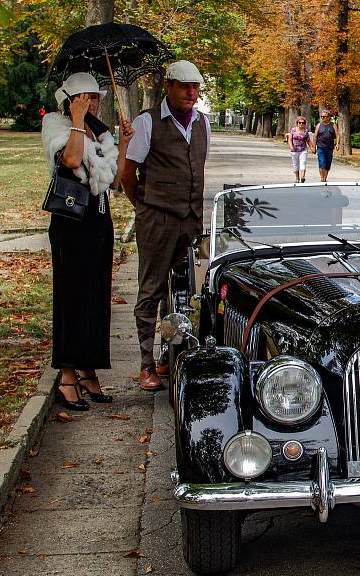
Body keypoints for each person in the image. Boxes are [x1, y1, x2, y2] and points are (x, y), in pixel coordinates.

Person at [41, 72, 134, 410]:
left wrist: (122, 145)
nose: (92, 103)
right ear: (70, 99)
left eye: (95, 97)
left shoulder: (101, 132)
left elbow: (112, 182)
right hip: (70, 220)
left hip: (98, 218)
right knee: (72, 296)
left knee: (96, 297)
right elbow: (71, 160)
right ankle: (67, 374)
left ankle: (88, 369)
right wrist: (77, 122)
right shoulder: (56, 125)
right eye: (85, 97)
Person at [122, 60, 211, 391]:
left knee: (184, 291)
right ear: (169, 86)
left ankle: (168, 354)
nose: (191, 92)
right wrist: (144, 207)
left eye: (196, 87)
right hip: (157, 218)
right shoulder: (148, 122)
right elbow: (127, 174)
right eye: (184, 86)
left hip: (191, 221)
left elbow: (197, 167)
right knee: (151, 288)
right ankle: (146, 365)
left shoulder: (203, 123)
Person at [313, 110, 339, 181]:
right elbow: (315, 136)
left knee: (328, 163)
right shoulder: (319, 125)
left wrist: (337, 144)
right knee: (322, 162)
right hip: (320, 147)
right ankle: (322, 178)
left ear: (328, 117)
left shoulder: (333, 125)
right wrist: (314, 147)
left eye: (324, 116)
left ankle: (325, 178)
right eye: (321, 116)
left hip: (330, 148)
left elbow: (337, 135)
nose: (322, 118)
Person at [289, 116, 313, 182]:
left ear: (305, 124)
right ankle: (297, 178)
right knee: (295, 164)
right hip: (294, 149)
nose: (301, 124)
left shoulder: (306, 131)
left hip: (303, 149)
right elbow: (290, 139)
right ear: (297, 123)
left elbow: (308, 140)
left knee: (303, 162)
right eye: (300, 122)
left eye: (303, 123)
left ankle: (302, 177)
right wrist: (291, 146)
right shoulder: (293, 130)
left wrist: (311, 147)